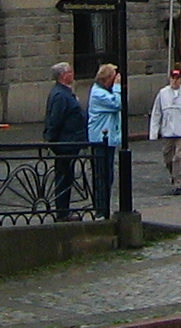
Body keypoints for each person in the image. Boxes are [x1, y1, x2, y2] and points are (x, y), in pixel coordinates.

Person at [43, 62, 87, 220]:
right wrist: (51, 139)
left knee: (67, 177)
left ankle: (64, 210)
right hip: (66, 142)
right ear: (63, 75)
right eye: (70, 72)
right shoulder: (60, 95)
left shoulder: (64, 92)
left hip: (70, 141)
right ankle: (62, 212)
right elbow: (55, 119)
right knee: (63, 178)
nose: (72, 74)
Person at [150, 64, 181, 195]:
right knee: (168, 158)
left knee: (178, 157)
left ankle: (178, 183)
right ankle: (174, 175)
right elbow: (156, 113)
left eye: (177, 78)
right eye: (173, 78)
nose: (175, 81)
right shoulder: (163, 93)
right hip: (167, 131)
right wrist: (154, 132)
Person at [87, 63, 123, 219]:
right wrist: (117, 87)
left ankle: (104, 207)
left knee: (108, 176)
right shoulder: (98, 93)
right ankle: (101, 209)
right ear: (106, 79)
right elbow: (118, 104)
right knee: (102, 176)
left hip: (108, 140)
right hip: (100, 140)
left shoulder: (105, 91)